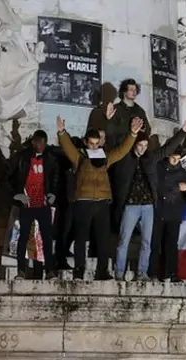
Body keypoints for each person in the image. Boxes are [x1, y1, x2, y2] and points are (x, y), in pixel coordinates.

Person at [56, 115, 144, 280]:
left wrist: (132, 134)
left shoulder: (105, 158)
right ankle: (79, 270)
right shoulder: (80, 158)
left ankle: (102, 271)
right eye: (91, 143)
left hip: (103, 203)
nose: (94, 146)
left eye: (97, 144)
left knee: (103, 238)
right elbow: (68, 148)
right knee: (81, 238)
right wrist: (62, 132)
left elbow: (122, 151)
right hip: (83, 202)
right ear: (86, 142)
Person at [112, 120, 186, 281]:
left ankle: (142, 273)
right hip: (131, 205)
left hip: (148, 205)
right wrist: (132, 134)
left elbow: (167, 149)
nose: (142, 149)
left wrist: (183, 132)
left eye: (144, 145)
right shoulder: (125, 158)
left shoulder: (150, 157)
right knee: (124, 240)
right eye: (139, 145)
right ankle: (119, 273)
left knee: (147, 242)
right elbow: (119, 148)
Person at [7, 130, 60, 280]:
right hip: (26, 205)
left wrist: (53, 193)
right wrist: (15, 194)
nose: (41, 146)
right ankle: (21, 271)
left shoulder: (50, 158)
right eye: (38, 142)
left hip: (43, 204)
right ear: (33, 142)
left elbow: (56, 177)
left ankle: (50, 271)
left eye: (44, 142)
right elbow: (6, 176)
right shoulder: (21, 158)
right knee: (22, 238)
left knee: (46, 238)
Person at [149, 145, 186, 282]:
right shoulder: (159, 168)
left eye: (178, 159)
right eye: (173, 158)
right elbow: (158, 186)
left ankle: (171, 272)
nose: (175, 161)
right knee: (155, 243)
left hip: (174, 211)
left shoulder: (183, 171)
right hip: (159, 210)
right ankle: (153, 272)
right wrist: (177, 187)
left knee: (171, 244)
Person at [106, 79, 151, 147]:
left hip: (135, 150)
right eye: (131, 89)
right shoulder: (115, 109)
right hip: (119, 149)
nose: (134, 92)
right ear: (124, 91)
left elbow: (148, 131)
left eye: (135, 90)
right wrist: (109, 119)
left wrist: (143, 128)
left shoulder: (140, 111)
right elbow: (110, 134)